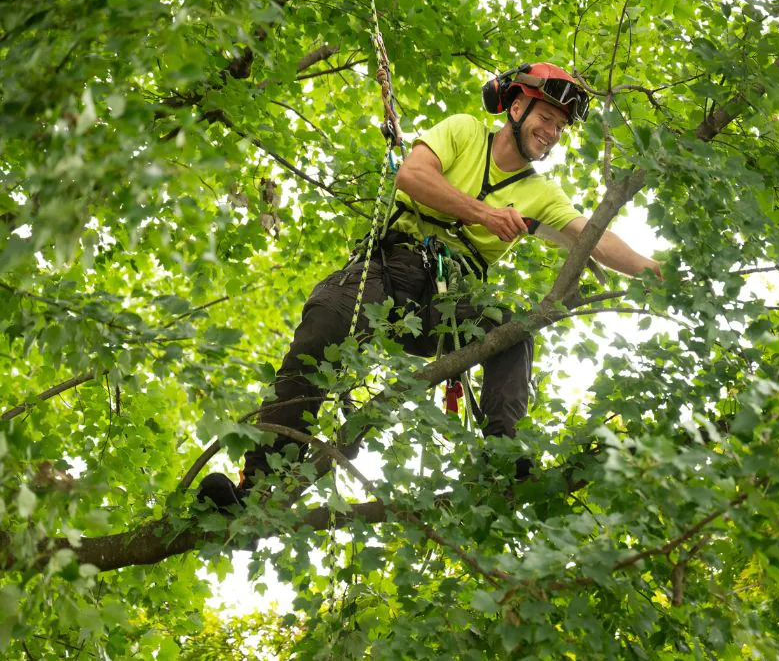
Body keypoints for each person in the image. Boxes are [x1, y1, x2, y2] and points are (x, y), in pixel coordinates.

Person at [198, 62, 660, 509]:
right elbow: (412, 175)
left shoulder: (541, 192)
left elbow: (594, 239)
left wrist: (649, 269)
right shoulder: (462, 132)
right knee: (324, 323)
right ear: (516, 109)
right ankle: (258, 483)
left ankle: (502, 456)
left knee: (511, 327)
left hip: (450, 301)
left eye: (560, 126)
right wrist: (484, 214)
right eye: (546, 117)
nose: (552, 132)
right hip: (387, 271)